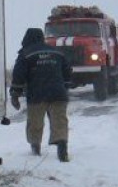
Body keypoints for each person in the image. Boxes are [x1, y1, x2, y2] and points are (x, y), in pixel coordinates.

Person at [9, 27, 73, 161]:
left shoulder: (26, 54)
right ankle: (62, 149)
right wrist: (65, 86)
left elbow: (18, 75)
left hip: (37, 95)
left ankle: (35, 148)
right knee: (59, 121)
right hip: (58, 94)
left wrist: (15, 93)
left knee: (35, 122)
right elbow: (67, 71)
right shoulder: (57, 52)